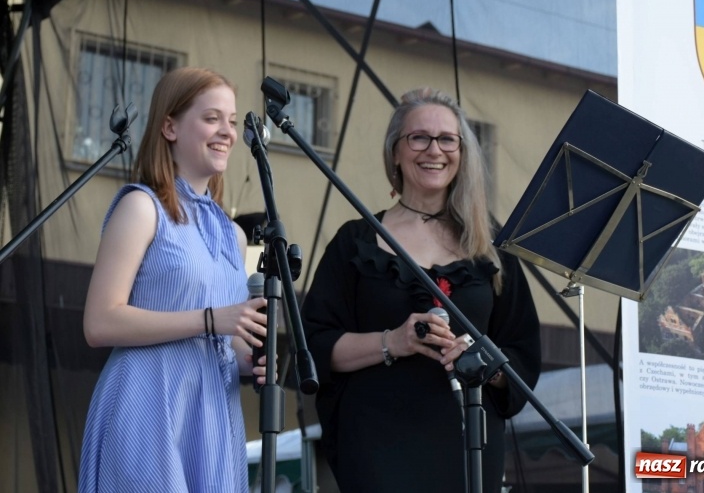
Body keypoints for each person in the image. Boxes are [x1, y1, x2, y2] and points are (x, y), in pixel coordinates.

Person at [301, 87, 542, 492]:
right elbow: (315, 346)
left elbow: (522, 355)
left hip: (468, 446)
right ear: (395, 151)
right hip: (378, 445)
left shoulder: (490, 248)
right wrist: (392, 342)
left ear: (462, 153)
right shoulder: (355, 241)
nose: (435, 150)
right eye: (419, 138)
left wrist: (481, 358)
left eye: (448, 139)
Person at [78, 67, 270, 493]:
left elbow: (228, 341)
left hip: (211, 416)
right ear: (169, 126)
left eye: (233, 121)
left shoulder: (233, 235)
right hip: (147, 404)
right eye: (211, 118)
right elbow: (99, 323)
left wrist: (252, 362)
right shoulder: (142, 208)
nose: (227, 132)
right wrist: (210, 319)